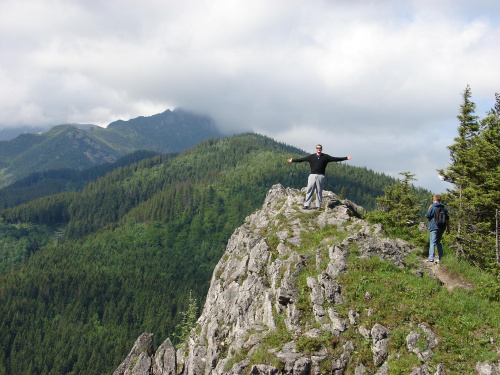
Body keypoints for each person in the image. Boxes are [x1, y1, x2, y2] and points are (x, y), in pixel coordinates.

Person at [287, 144, 352, 210]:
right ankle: (307, 205)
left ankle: (318, 206)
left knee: (319, 191)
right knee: (310, 189)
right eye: (317, 148)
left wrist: (345, 158)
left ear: (321, 149)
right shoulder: (311, 157)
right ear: (316, 149)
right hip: (312, 175)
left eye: (320, 148)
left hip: (321, 176)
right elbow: (302, 159)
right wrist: (293, 160)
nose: (319, 149)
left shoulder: (325, 157)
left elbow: (334, 159)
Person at [425, 194, 450, 263]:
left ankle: (431, 258)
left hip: (434, 227)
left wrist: (430, 221)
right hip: (442, 227)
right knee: (438, 242)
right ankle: (441, 257)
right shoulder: (444, 207)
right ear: (440, 200)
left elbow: (428, 215)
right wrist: (448, 228)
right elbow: (447, 219)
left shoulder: (433, 207)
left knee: (432, 242)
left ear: (434, 200)